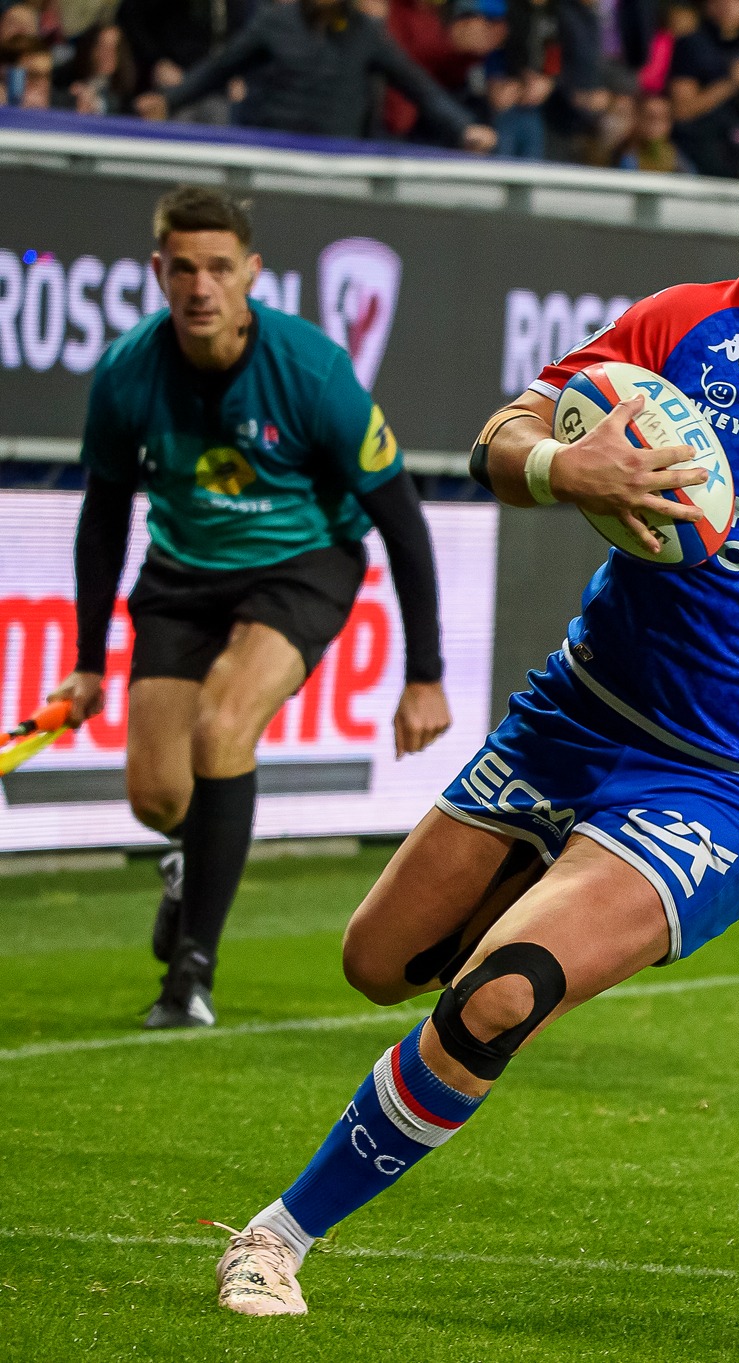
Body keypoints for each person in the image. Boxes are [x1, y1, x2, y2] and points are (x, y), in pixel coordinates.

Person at [208, 130, 739, 1317]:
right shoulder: (686, 327)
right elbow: (498, 436)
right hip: (576, 715)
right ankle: (501, 961)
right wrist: (567, 476)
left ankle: (275, 1237)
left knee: (501, 990)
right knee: (380, 963)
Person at [47, 186, 451, 1032]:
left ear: (251, 274)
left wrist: (425, 675)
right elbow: (102, 518)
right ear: (159, 273)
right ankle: (190, 863)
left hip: (302, 565)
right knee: (157, 795)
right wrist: (88, 659)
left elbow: (402, 521)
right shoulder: (125, 373)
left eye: (219, 268)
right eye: (184, 268)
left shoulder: (312, 371)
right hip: (182, 571)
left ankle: (191, 971)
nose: (201, 287)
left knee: (223, 727)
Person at [134, 0, 496, 151]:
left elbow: (418, 86)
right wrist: (168, 100)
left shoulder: (364, 34)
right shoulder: (274, 23)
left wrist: (463, 127)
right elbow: (218, 70)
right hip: (270, 158)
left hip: (337, 167)